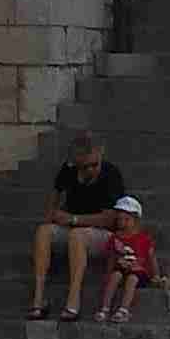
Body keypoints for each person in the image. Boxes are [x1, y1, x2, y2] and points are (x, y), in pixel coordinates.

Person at [28, 129, 124, 322]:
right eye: (85, 166)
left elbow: (109, 219)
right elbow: (54, 200)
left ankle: (73, 300)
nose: (91, 170)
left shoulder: (111, 174)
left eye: (95, 164)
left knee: (77, 234)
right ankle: (38, 299)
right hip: (73, 230)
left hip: (101, 235)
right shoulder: (68, 169)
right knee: (44, 231)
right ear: (76, 163)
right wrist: (53, 216)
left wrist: (73, 219)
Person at [97, 194, 164, 328]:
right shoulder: (115, 238)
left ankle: (124, 310)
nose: (123, 222)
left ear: (136, 220)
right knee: (115, 276)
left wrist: (156, 275)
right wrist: (108, 272)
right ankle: (105, 308)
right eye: (120, 219)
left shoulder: (143, 238)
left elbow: (151, 257)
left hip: (138, 271)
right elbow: (112, 257)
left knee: (132, 279)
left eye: (127, 219)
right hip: (121, 267)